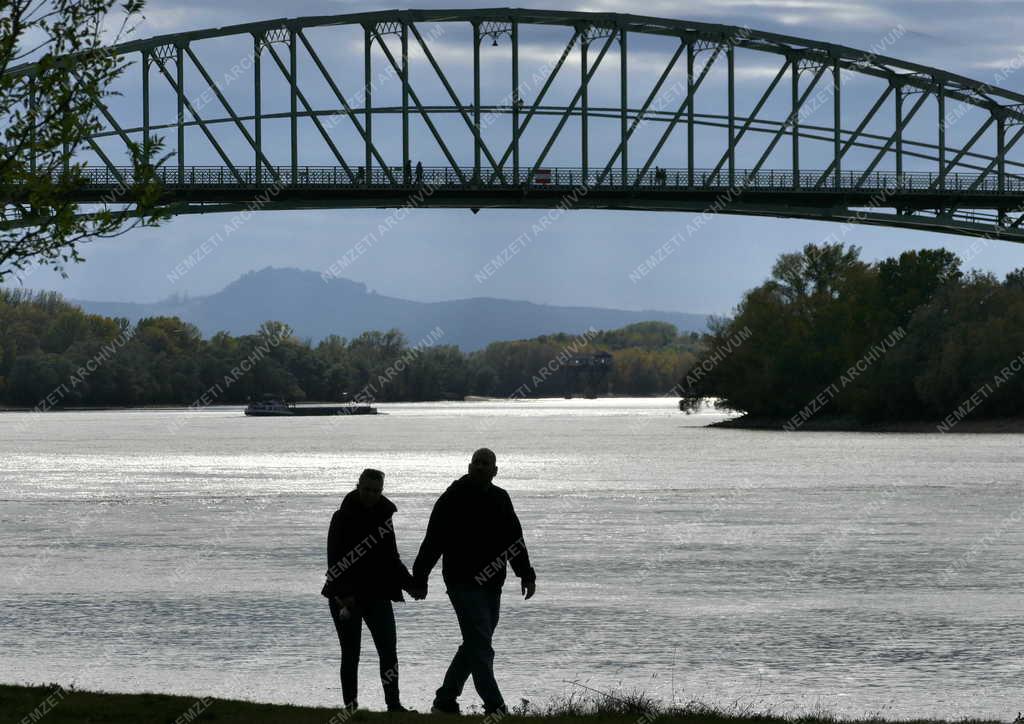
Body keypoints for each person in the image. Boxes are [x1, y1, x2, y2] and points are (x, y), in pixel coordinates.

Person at [412, 448, 537, 716]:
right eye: (477, 463)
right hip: (461, 582)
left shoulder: (501, 498)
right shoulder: (452, 497)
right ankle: (495, 707)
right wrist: (419, 577)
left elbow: (514, 540)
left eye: (486, 464)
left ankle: (445, 701)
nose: (480, 467)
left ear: (495, 470)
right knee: (481, 646)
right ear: (470, 467)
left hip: (492, 584)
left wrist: (526, 573)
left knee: (474, 643)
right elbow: (433, 540)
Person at [322, 468, 425, 712]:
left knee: (388, 651)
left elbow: (391, 559)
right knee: (350, 653)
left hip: (377, 594)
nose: (371, 495)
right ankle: (350, 707)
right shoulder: (341, 517)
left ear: (381, 491)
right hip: (344, 595)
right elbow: (334, 560)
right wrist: (344, 595)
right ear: (358, 486)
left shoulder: (385, 518)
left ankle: (394, 704)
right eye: (367, 489)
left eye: (376, 491)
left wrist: (410, 584)